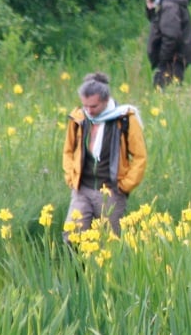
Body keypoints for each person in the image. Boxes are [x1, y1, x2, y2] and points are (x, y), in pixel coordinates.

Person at [62, 73, 147, 237]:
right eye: (85, 105)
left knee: (109, 242)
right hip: (82, 189)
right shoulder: (79, 118)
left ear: (106, 100)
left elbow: (140, 157)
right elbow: (68, 151)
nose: (89, 110)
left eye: (93, 106)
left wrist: (126, 185)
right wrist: (71, 177)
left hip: (111, 192)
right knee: (72, 236)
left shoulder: (125, 119)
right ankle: (78, 264)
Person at [137, 0, 191, 88]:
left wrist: (163, 60)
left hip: (172, 59)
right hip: (171, 58)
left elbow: (171, 35)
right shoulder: (164, 1)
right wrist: (151, 10)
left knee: (163, 92)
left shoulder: (169, 4)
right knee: (166, 92)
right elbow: (158, 24)